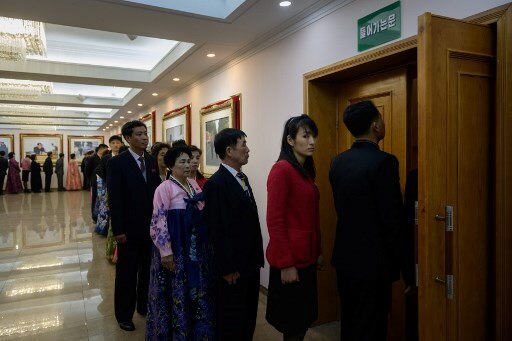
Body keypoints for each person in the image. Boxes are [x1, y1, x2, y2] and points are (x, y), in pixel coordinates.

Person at [329, 101, 413, 341]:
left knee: (350, 323)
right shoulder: (384, 162)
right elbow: (392, 222)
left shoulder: (338, 162)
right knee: (372, 327)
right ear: (376, 126)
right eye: (382, 120)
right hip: (373, 264)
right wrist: (408, 271)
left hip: (345, 259)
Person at [265, 115, 326, 341]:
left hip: (306, 258)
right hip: (291, 262)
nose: (312, 141)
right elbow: (275, 221)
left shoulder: (305, 171)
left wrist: (317, 251)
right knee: (293, 325)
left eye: (313, 136)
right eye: (305, 135)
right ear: (291, 141)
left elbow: (310, 217)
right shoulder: (282, 169)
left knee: (302, 320)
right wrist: (286, 264)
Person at [146, 144, 215, 339]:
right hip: (176, 249)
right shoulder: (164, 188)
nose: (188, 165)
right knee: (175, 289)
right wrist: (166, 252)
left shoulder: (193, 184)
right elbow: (158, 220)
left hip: (195, 248)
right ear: (170, 166)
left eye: (190, 160)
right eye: (182, 162)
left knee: (197, 289)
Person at [203, 128, 264, 340]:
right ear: (229, 151)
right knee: (231, 320)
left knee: (248, 316)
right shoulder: (216, 184)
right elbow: (218, 230)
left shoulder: (242, 177)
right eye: (243, 145)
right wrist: (227, 268)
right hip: (233, 268)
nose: (248, 150)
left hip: (249, 262)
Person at [107, 121, 161, 332]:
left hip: (150, 228)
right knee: (127, 274)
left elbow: (155, 193)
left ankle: (143, 306)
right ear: (128, 139)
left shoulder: (150, 160)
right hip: (128, 230)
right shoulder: (118, 163)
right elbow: (115, 198)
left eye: (145, 133)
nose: (144, 137)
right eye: (139, 134)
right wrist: (119, 230)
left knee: (148, 270)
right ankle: (123, 315)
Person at [86, 144, 108, 222]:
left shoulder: (105, 157)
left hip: (104, 181)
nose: (106, 150)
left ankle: (101, 216)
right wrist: (92, 178)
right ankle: (94, 216)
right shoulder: (92, 158)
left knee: (102, 199)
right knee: (95, 198)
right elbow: (87, 170)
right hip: (95, 181)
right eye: (105, 148)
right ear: (100, 149)